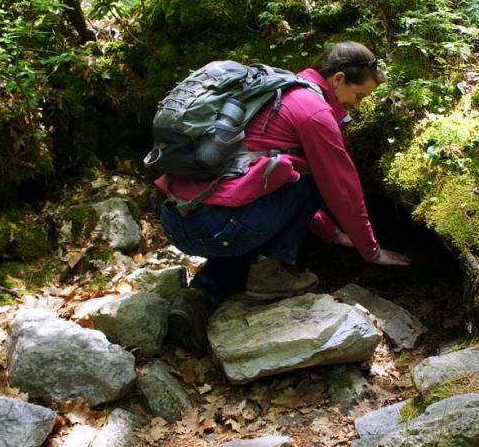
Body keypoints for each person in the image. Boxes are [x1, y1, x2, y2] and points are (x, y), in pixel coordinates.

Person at [157, 41, 411, 354]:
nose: (357, 106)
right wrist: (370, 250)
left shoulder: (275, 90)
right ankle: (270, 275)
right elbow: (341, 187)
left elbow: (265, 192)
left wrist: (331, 234)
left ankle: (198, 297)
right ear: (339, 78)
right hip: (219, 226)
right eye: (359, 96)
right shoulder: (314, 111)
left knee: (252, 236)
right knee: (312, 177)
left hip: (177, 217)